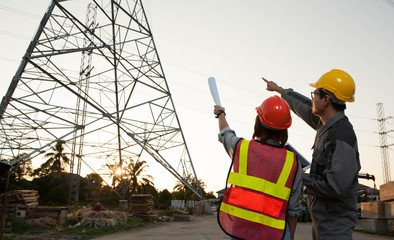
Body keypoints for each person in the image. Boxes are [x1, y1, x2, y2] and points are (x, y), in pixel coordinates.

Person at [263, 69, 361, 240]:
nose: (312, 98)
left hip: (335, 225)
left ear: (325, 99)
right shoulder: (326, 123)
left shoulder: (341, 137)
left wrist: (298, 176)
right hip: (324, 219)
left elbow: (335, 186)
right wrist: (280, 90)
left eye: (315, 94)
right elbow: (305, 106)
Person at [215, 96, 303, 240]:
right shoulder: (293, 162)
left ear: (258, 122)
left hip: (241, 233)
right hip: (277, 235)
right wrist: (290, 236)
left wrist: (221, 113)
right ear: (285, 129)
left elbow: (225, 133)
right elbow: (293, 209)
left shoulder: (241, 148)